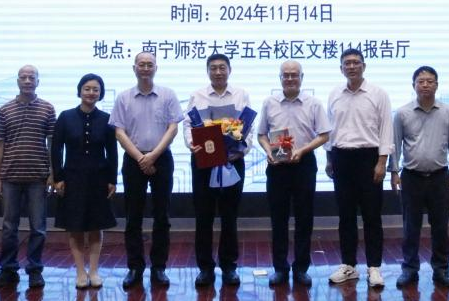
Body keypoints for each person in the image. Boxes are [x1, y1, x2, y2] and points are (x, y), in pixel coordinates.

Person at [111, 52, 182, 289]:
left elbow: (173, 128)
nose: (145, 68)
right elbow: (119, 132)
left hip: (161, 158)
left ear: (156, 68)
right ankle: (135, 267)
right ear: (134, 68)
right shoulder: (123, 97)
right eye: (141, 64)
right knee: (133, 216)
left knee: (162, 216)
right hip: (134, 160)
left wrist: (153, 155)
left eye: (149, 64)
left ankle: (159, 267)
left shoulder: (168, 94)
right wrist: (141, 157)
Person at [257, 60, 331, 287]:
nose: (290, 78)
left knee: (304, 219)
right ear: (280, 78)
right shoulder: (269, 102)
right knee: (278, 219)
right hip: (277, 166)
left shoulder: (313, 103)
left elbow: (324, 135)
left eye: (294, 75)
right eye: (286, 75)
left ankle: (301, 268)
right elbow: (261, 134)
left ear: (301, 77)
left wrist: (303, 150)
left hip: (304, 164)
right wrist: (268, 150)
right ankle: (280, 268)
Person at [325, 48, 393, 289]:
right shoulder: (334, 94)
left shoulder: (378, 94)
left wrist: (382, 162)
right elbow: (330, 130)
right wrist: (329, 159)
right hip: (341, 158)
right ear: (341, 68)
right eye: (347, 63)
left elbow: (386, 128)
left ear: (364, 66)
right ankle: (349, 265)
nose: (351, 66)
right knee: (345, 216)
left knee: (372, 216)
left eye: (356, 62)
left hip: (369, 158)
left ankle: (374, 267)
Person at [390, 66, 449, 289]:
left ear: (437, 85)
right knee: (410, 227)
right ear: (414, 85)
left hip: (440, 177)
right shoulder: (402, 113)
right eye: (421, 81)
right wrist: (394, 172)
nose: (425, 85)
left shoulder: (448, 112)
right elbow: (395, 145)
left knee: (440, 227)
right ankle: (409, 269)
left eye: (430, 81)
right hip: (411, 177)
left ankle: (441, 270)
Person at [185, 53, 253, 287]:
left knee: (229, 217)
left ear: (229, 70)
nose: (218, 72)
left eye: (222, 67)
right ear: (207, 71)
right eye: (213, 68)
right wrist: (191, 144)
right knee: (203, 217)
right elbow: (188, 125)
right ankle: (205, 268)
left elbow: (248, 127)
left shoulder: (241, 94)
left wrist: (242, 150)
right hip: (203, 163)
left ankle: (229, 267)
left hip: (232, 161)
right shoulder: (197, 95)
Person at [0, 65, 57, 289]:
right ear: (17, 81)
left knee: (38, 228)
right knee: (9, 227)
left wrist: (52, 174)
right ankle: (8, 270)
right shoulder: (4, 110)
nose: (27, 81)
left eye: (31, 77)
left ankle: (35, 270)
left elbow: (52, 144)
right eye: (23, 77)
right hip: (10, 177)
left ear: (38, 81)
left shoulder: (48, 109)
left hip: (38, 177)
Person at [51, 74, 118, 289]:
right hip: (72, 179)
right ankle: (80, 271)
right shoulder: (65, 117)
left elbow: (112, 152)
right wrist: (58, 177)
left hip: (99, 179)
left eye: (95, 89)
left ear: (101, 93)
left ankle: (94, 271)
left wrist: (112, 179)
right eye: (87, 88)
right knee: (76, 226)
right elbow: (56, 149)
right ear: (80, 91)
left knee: (96, 226)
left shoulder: (107, 119)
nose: (91, 93)